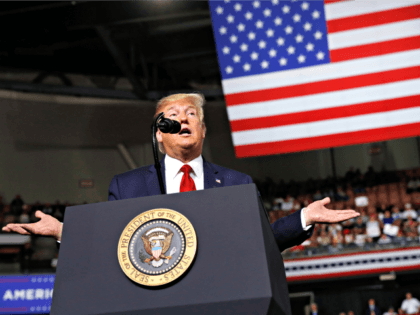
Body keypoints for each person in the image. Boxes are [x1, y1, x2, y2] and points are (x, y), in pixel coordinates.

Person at [2, 94, 359, 249]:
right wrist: (65, 232)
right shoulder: (126, 186)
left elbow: (260, 243)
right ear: (160, 133)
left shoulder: (238, 182)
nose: (184, 119)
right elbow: (113, 245)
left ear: (203, 132)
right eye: (173, 115)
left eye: (192, 115)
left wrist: (303, 218)